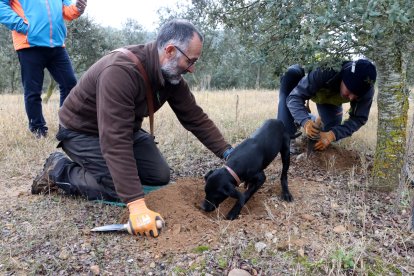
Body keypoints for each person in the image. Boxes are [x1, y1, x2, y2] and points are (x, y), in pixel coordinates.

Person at [31, 19, 234, 238]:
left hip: (124, 129)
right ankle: (60, 170)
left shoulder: (170, 76)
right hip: (82, 132)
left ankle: (113, 176)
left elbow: (195, 117)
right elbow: (115, 142)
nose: (192, 69)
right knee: (119, 189)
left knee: (159, 175)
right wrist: (136, 205)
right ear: (170, 50)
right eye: (190, 61)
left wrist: (229, 154)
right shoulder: (119, 72)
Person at [0, 0, 87, 138]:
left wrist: (77, 8)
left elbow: (67, 11)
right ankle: (38, 129)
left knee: (70, 84)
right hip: (29, 44)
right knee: (33, 91)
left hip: (57, 44)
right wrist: (22, 26)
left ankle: (66, 126)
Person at [277, 59, 377, 153]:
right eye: (350, 91)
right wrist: (305, 121)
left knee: (326, 135)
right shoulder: (326, 70)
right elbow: (294, 97)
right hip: (305, 84)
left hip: (329, 101)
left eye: (356, 95)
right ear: (344, 78)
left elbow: (359, 118)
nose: (351, 98)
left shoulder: (367, 92)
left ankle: (312, 119)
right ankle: (287, 137)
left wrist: (333, 134)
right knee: (290, 75)